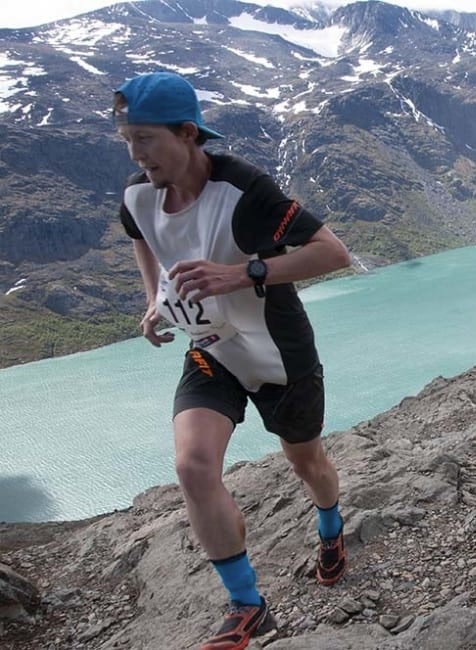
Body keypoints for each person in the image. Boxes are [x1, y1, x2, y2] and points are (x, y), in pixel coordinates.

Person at [112, 71, 352, 650]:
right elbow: (141, 235)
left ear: (188, 133)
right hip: (211, 351)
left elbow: (333, 253)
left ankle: (331, 527)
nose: (135, 153)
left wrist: (243, 271)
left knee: (308, 464)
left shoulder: (244, 190)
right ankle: (248, 606)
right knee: (193, 467)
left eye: (144, 138)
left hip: (279, 352)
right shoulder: (138, 195)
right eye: (126, 139)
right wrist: (155, 301)